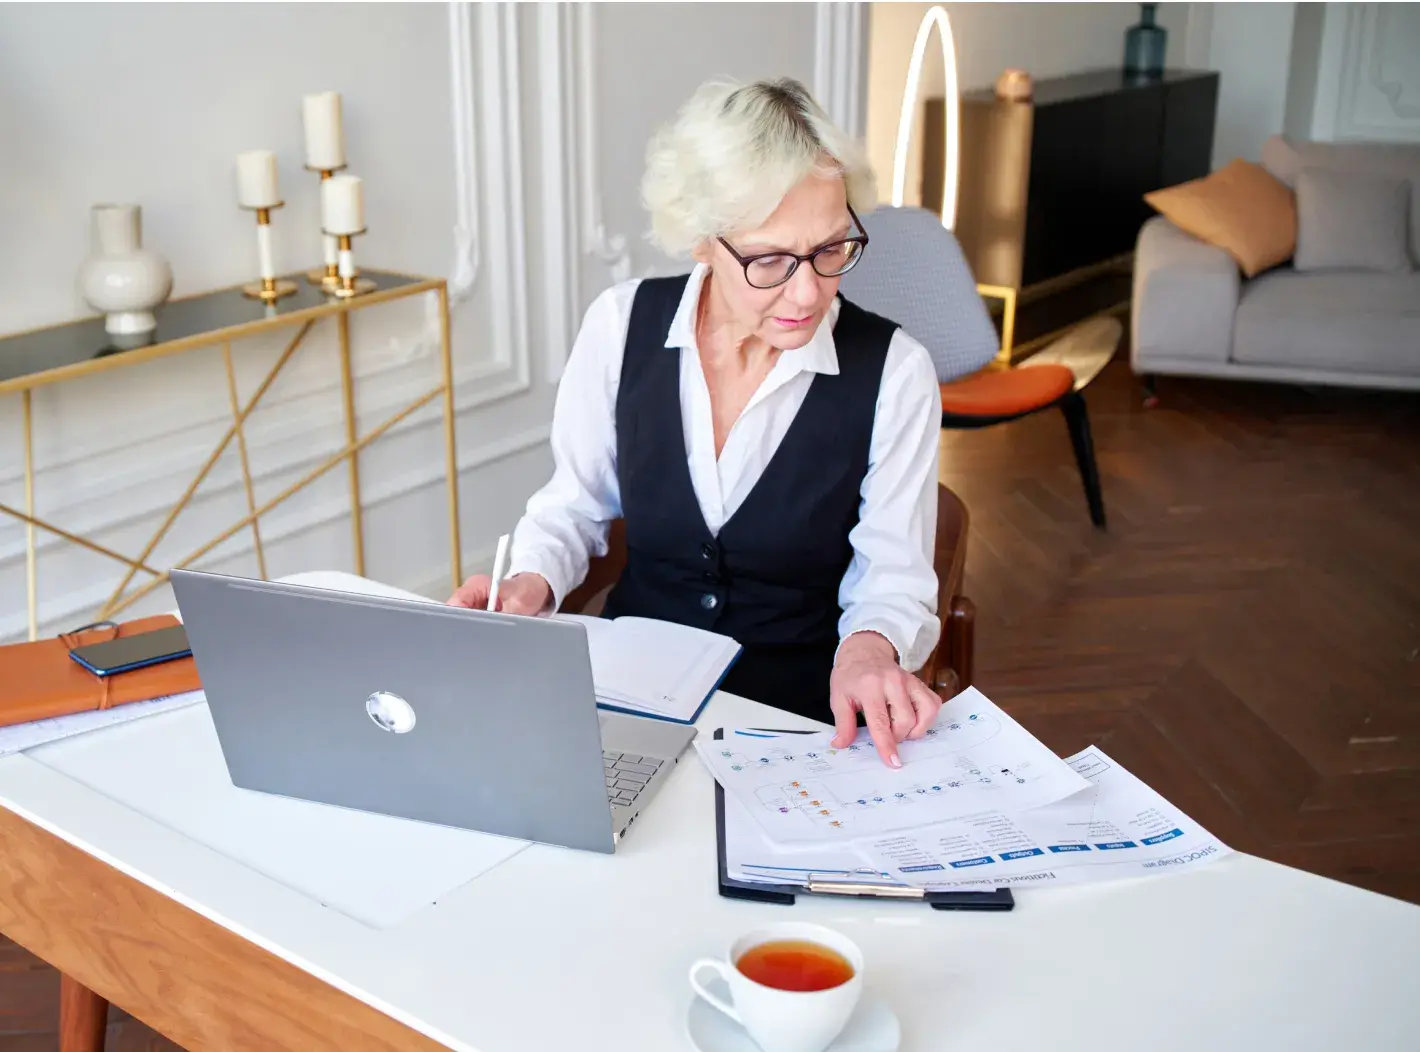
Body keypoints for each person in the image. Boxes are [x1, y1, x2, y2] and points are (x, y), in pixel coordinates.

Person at [449, 77, 943, 768]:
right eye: (770, 260)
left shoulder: (896, 372)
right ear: (702, 242)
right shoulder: (622, 325)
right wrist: (530, 582)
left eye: (831, 250)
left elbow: (893, 574)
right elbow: (574, 505)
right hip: (627, 702)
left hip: (798, 721)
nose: (808, 291)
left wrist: (865, 653)